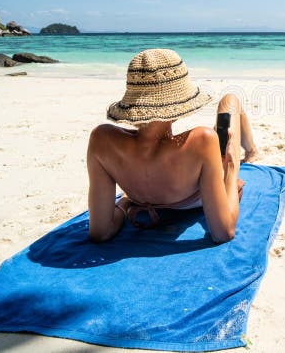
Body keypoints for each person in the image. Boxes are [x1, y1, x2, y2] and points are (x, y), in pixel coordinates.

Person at [86, 48, 259, 243]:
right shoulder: (203, 140)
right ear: (176, 106)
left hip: (145, 197)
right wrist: (232, 168)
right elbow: (223, 232)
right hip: (195, 195)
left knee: (222, 124)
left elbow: (100, 232)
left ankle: (252, 151)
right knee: (230, 101)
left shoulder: (101, 140)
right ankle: (252, 151)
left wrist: (125, 201)